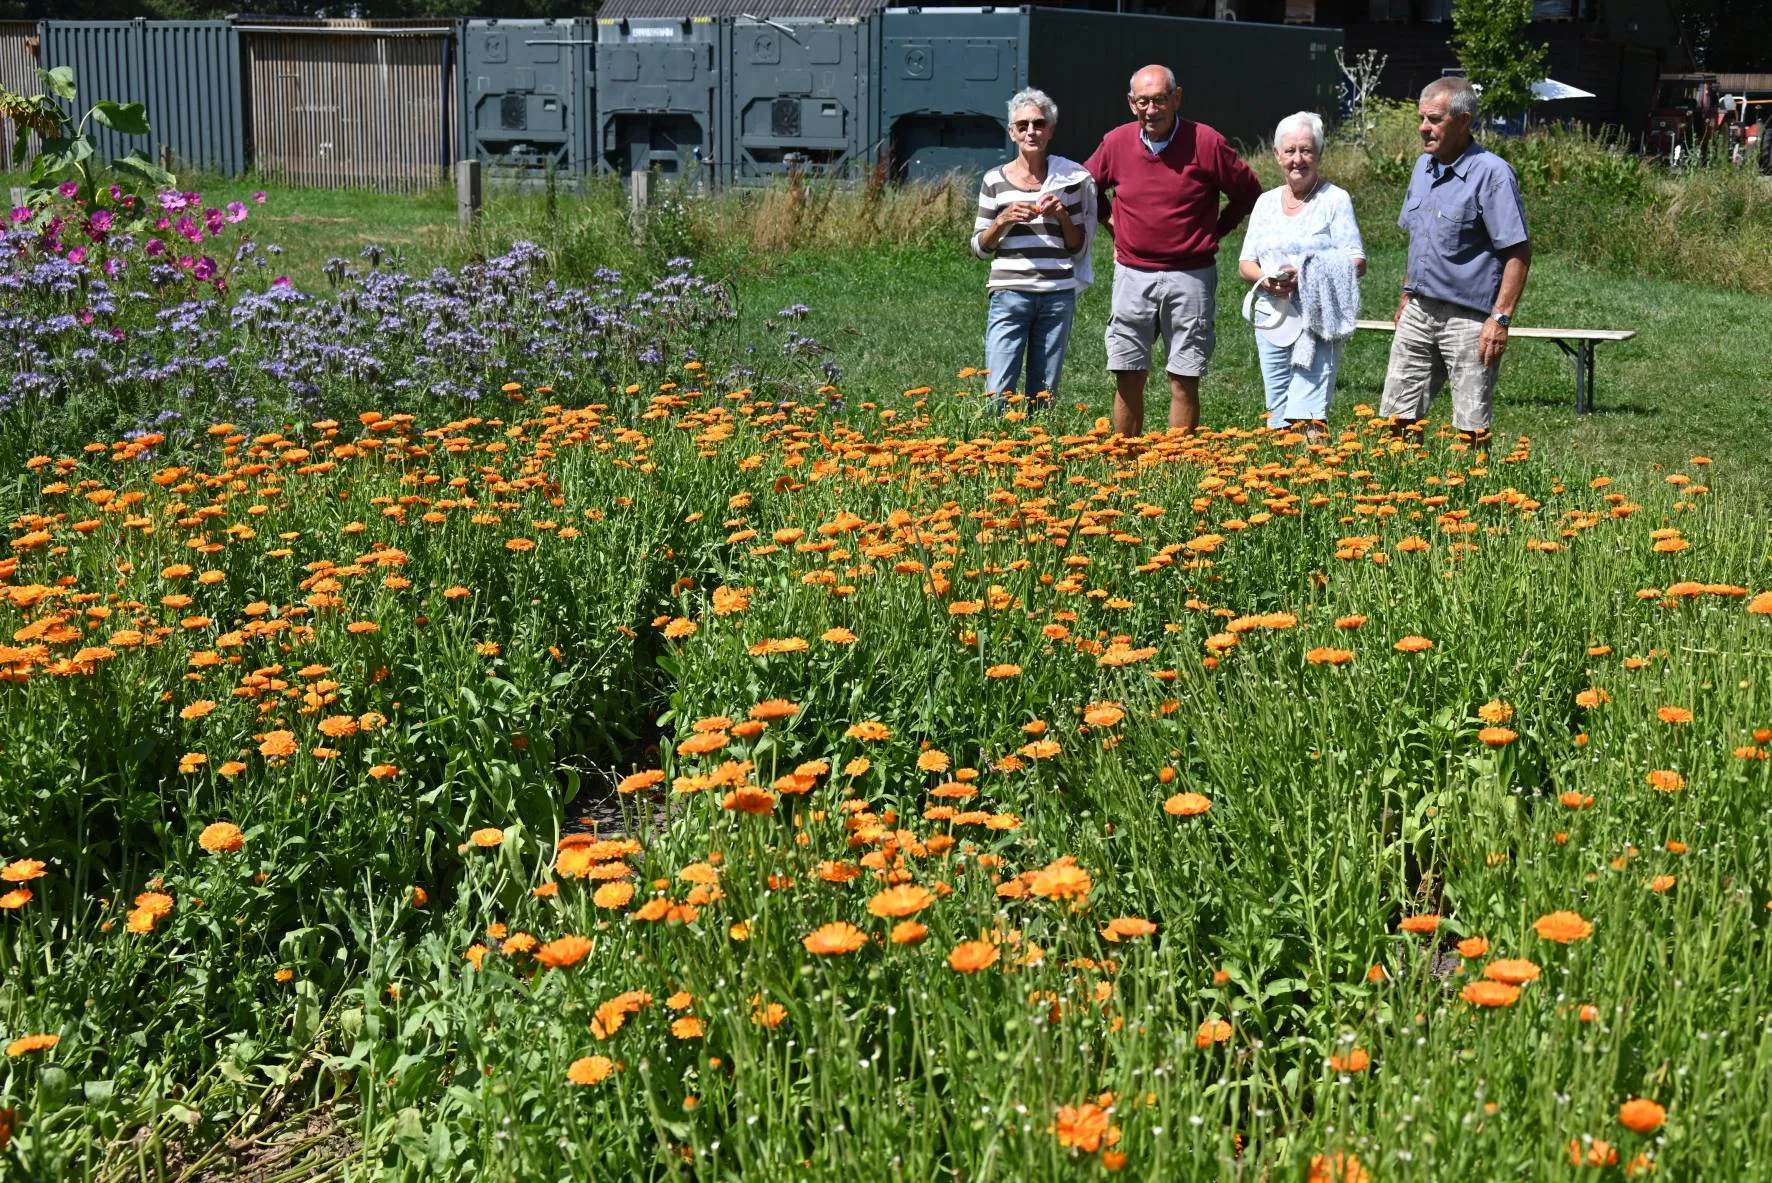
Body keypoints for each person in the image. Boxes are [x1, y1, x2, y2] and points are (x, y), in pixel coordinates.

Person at [1084, 64, 1262, 436]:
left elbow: (1248, 192)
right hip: (1132, 275)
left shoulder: (1206, 142)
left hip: (1191, 276)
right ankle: (1125, 458)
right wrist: (1111, 224)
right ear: (1131, 103)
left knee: (1184, 376)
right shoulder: (1116, 142)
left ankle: (1176, 461)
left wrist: (1214, 231)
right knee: (1128, 372)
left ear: (1177, 98)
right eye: (1143, 102)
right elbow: (1086, 186)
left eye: (1160, 100)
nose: (1152, 110)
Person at [1380, 76, 1531, 444]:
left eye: (1434, 119)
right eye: (1421, 118)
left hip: (1469, 319)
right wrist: (1406, 294)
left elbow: (1518, 252)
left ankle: (1471, 481)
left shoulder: (1493, 174)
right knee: (1396, 420)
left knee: (1471, 428)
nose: (1423, 128)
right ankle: (1398, 479)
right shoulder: (1423, 167)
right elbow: (1420, 239)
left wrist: (1500, 319)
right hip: (1419, 310)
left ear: (1464, 121)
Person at [1237, 111, 1365, 442]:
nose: (1298, 159)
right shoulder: (1265, 202)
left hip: (1318, 317)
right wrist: (1267, 280)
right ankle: (1281, 469)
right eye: (1290, 150)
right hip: (1273, 317)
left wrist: (1306, 276)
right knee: (1277, 407)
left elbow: (1357, 261)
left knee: (1309, 409)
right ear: (1277, 155)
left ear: (1319, 153)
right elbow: (1246, 263)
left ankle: (1317, 469)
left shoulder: (1335, 200)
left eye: (1306, 150)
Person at [971, 87, 1097, 411]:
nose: (1031, 131)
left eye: (1039, 124)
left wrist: (1062, 215)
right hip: (1010, 293)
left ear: (1051, 130)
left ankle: (1038, 441)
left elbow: (1077, 247)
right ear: (1012, 132)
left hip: (1057, 295)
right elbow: (979, 248)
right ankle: (994, 440)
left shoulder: (1069, 179)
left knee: (1043, 394)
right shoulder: (994, 180)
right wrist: (1003, 220)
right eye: (1023, 125)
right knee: (998, 392)